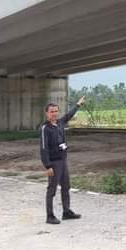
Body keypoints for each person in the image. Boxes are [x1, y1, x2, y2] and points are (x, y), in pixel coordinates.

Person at [40, 96, 86, 225]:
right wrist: (47, 166)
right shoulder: (45, 128)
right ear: (47, 113)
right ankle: (50, 216)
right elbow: (43, 148)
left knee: (66, 186)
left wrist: (78, 104)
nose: (54, 113)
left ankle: (66, 212)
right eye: (52, 111)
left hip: (63, 160)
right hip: (54, 163)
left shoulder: (60, 123)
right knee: (52, 189)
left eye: (56, 111)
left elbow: (69, 115)